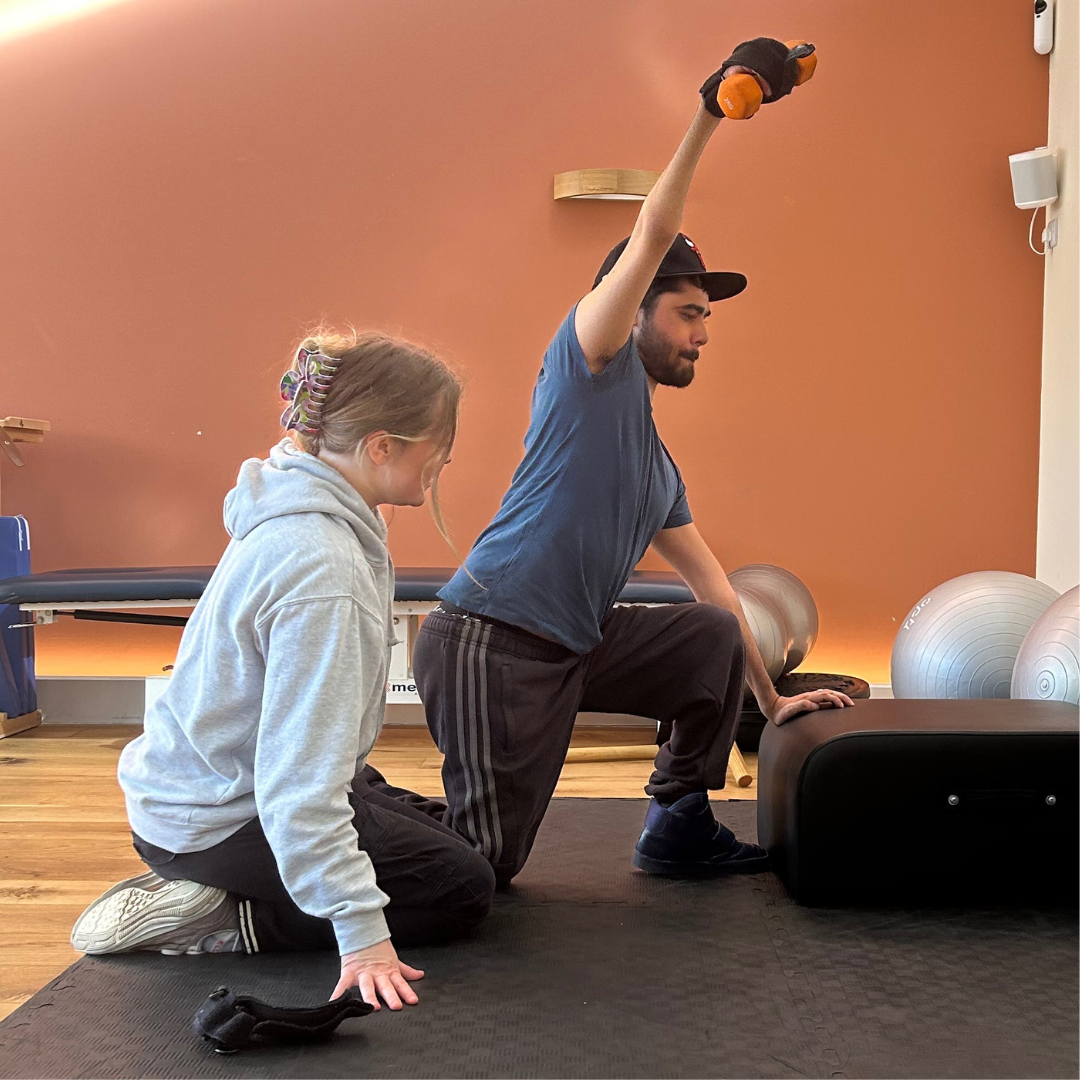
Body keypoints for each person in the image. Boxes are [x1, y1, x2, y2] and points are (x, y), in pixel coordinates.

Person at [413, 38, 852, 886]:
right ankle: (339, 815)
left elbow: (717, 590)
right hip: (490, 644)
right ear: (635, 309)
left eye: (706, 324)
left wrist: (771, 703)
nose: (701, 336)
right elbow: (651, 231)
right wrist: (708, 110)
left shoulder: (654, 465)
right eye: (689, 314)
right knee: (482, 872)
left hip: (574, 643)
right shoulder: (591, 362)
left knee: (712, 631)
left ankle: (678, 823)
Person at [70, 331, 495, 1011]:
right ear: (381, 447)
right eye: (436, 445)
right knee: (461, 888)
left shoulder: (298, 502)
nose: (443, 458)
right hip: (216, 819)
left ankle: (222, 885)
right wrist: (361, 936)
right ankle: (219, 918)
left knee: (453, 837)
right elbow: (298, 788)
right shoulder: (323, 565)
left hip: (211, 790)